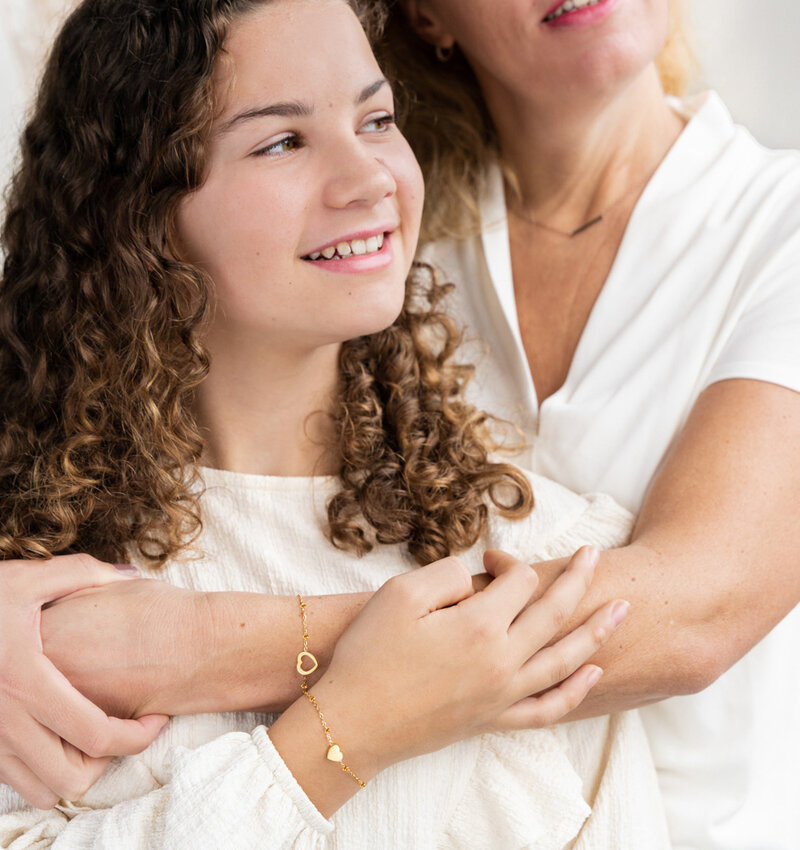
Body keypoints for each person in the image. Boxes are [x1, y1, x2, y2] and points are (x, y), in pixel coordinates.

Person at [0, 0, 669, 846]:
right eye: (282, 141)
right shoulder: (30, 603)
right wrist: (344, 733)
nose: (369, 179)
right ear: (136, 209)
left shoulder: (540, 559)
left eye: (376, 121)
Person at [365, 1, 800, 848]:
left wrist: (202, 654)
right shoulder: (384, 247)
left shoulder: (781, 227)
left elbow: (693, 616)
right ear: (427, 17)